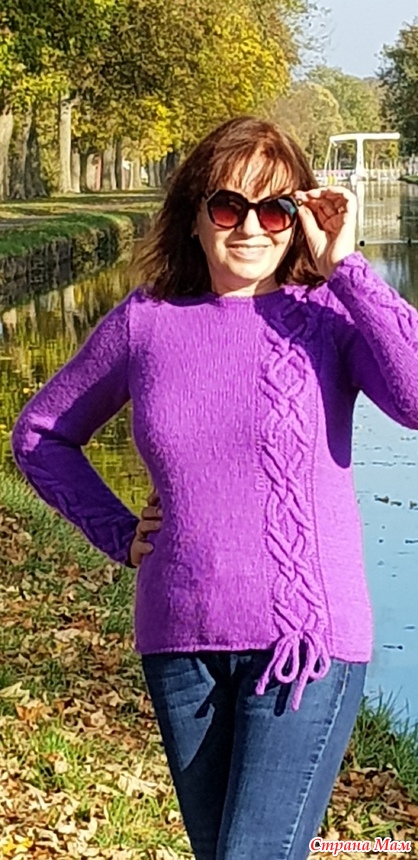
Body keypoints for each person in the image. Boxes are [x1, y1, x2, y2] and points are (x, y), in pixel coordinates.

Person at [10, 115, 418, 860]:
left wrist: (349, 267)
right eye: (229, 207)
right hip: (180, 643)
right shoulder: (146, 321)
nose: (251, 228)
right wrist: (117, 531)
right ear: (194, 215)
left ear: (299, 218)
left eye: (275, 209)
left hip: (304, 644)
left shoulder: (328, 315)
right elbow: (40, 436)